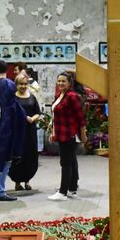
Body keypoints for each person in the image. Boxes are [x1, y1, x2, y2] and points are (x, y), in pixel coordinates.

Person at [0, 72, 26, 202]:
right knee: (3, 163)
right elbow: (11, 124)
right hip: (7, 137)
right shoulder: (11, 106)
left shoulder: (0, 102)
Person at [49, 71, 86, 200]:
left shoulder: (72, 96)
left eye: (63, 81)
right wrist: (52, 131)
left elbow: (81, 118)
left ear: (69, 83)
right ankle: (72, 188)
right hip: (61, 132)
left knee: (65, 162)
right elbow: (55, 115)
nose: (60, 83)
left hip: (70, 133)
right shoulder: (61, 95)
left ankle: (62, 192)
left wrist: (83, 135)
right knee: (71, 160)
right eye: (59, 81)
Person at [9, 69, 43, 191]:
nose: (23, 86)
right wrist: (22, 118)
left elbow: (38, 113)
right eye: (20, 84)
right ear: (16, 85)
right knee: (18, 156)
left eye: (25, 84)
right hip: (17, 132)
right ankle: (17, 182)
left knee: (30, 156)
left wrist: (32, 119)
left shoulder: (32, 97)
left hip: (30, 131)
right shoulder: (12, 98)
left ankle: (27, 180)